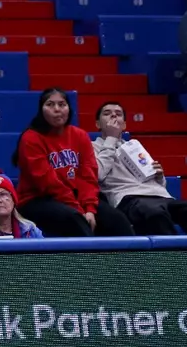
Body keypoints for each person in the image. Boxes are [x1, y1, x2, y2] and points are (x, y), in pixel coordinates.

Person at [13, 87, 134, 238]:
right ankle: (91, 261)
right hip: (36, 199)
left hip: (75, 197)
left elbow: (88, 177)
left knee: (117, 220)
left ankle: (131, 261)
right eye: (50, 104)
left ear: (69, 109)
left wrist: (89, 208)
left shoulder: (80, 135)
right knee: (75, 219)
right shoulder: (30, 138)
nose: (57, 109)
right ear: (41, 110)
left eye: (62, 104)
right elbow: (48, 183)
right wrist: (79, 209)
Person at [94, 100, 187, 235]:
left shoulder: (134, 146)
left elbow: (157, 184)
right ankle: (173, 255)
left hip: (161, 197)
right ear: (97, 124)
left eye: (118, 114)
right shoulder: (92, 147)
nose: (114, 116)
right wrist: (111, 139)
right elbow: (98, 174)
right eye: (107, 113)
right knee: (155, 213)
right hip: (129, 199)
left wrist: (159, 176)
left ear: (124, 124)